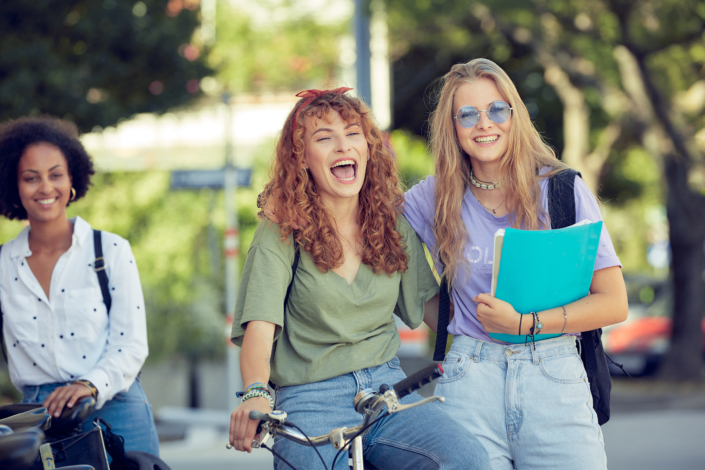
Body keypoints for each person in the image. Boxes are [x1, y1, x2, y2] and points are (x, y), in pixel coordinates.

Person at [228, 88, 489, 470]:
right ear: (301, 157)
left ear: (368, 147)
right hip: (308, 400)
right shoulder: (282, 230)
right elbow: (260, 327)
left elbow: (437, 313)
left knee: (466, 459)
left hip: (387, 391)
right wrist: (255, 392)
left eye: (352, 134)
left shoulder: (392, 222)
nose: (342, 146)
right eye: (324, 138)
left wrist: (506, 331)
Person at [401, 59, 628, 469]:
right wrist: (456, 322)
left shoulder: (562, 190)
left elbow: (613, 302)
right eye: (467, 114)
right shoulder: (431, 198)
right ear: (452, 127)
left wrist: (524, 324)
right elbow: (362, 227)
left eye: (496, 109)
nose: (484, 123)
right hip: (469, 380)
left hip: (553, 375)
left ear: (514, 114)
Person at [0, 117, 160, 456]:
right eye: (31, 178)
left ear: (72, 180)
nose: (45, 187)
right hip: (39, 420)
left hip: (117, 408)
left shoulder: (111, 250)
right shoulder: (3, 265)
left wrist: (88, 384)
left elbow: (131, 345)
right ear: (14, 186)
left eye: (55, 174)